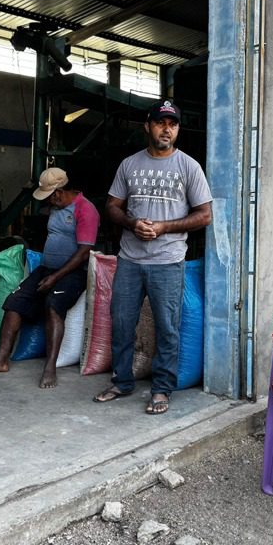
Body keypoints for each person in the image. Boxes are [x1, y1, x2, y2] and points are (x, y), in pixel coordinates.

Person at [93, 100, 212, 414]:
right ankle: (122, 381)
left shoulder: (188, 167)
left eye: (172, 124)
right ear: (148, 126)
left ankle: (161, 389)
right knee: (121, 322)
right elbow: (112, 207)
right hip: (130, 260)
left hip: (168, 261)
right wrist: (133, 223)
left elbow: (204, 216)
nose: (166, 129)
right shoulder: (130, 165)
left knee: (167, 328)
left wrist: (163, 227)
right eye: (161, 123)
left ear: (177, 130)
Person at [0, 167, 99, 388]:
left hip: (73, 273)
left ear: (58, 192)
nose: (48, 202)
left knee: (53, 304)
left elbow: (84, 251)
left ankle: (50, 367)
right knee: (14, 302)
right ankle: (1, 360)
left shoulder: (85, 210)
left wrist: (56, 277)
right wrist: (48, 272)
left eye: (50, 196)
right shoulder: (55, 209)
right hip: (46, 269)